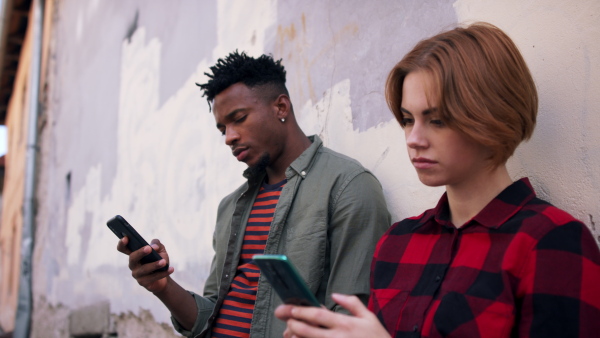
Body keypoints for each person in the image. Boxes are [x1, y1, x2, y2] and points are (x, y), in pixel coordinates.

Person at [275, 22, 600, 337]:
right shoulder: (397, 242)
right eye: (407, 119)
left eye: (438, 120)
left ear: (492, 117)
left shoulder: (552, 242)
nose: (414, 138)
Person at [116, 51, 391, 338]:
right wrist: (162, 286)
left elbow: (352, 320)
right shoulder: (231, 207)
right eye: (222, 128)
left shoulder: (347, 187)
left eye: (239, 118)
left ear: (280, 107)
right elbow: (208, 318)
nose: (228, 137)